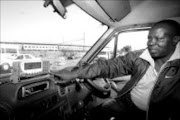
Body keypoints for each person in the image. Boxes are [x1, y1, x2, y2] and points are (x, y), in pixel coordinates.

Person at [53, 19, 180, 120]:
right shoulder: (139, 57)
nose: (151, 43)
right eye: (149, 38)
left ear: (175, 40)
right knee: (99, 111)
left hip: (159, 115)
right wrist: (74, 74)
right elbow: (109, 66)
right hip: (128, 102)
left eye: (159, 39)